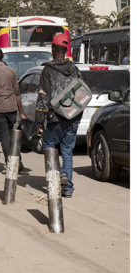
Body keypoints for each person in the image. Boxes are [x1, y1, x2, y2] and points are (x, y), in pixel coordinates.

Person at [34, 34, 81, 198]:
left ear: (53, 49)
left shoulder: (47, 70)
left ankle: (57, 179)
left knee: (49, 146)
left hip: (56, 118)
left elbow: (43, 97)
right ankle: (68, 189)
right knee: (67, 152)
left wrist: (39, 121)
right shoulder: (74, 68)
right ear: (66, 49)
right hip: (73, 117)